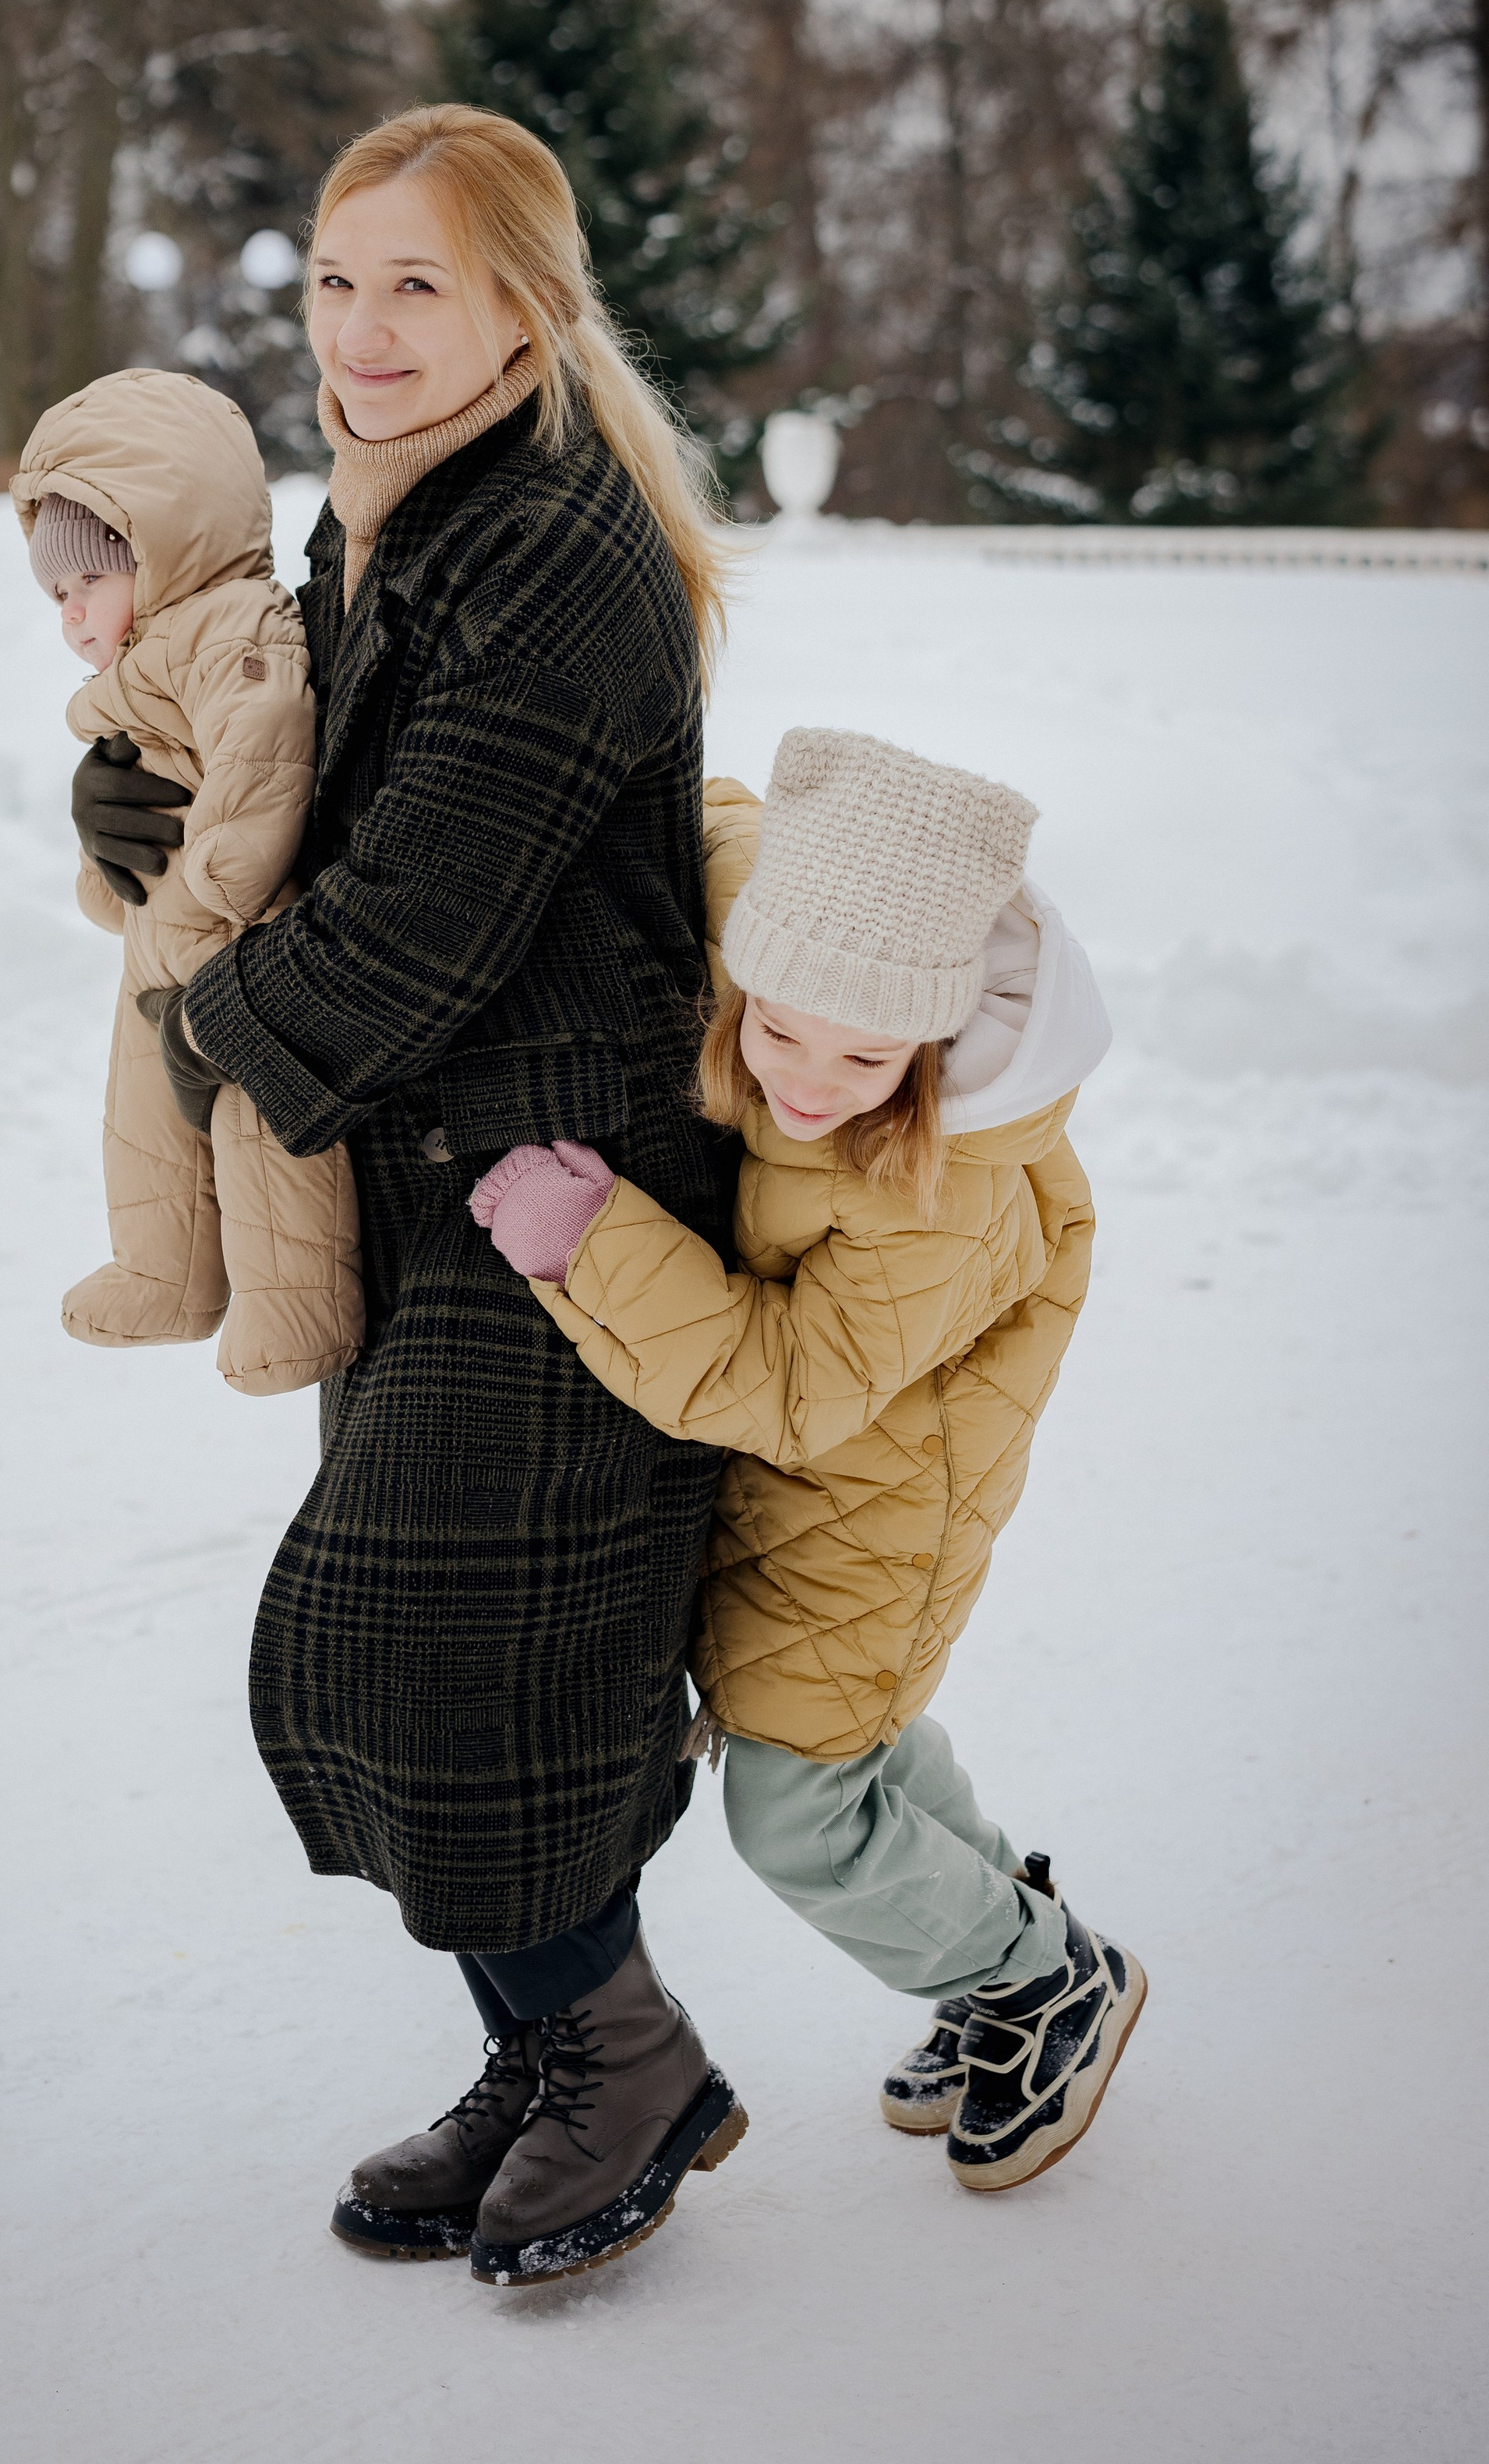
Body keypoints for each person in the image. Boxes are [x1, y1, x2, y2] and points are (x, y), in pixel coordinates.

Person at [69, 105, 746, 2289]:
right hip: (419, 1180)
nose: (359, 332)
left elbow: (412, 934)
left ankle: (615, 2051)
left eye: (416, 287)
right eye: (336, 284)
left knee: (443, 1656)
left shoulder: (552, 552)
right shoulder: (389, 528)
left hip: (562, 1196)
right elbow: (298, 828)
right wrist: (142, 813)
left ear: (525, 307)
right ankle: (549, 2046)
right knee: (469, 1666)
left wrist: (194, 1028)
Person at [472, 726, 1145, 2195]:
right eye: (776, 1031)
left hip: (871, 1513)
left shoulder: (939, 1191)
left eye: (866, 1055)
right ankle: (1011, 1962)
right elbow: (717, 827)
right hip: (824, 1494)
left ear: (934, 1034)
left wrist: (590, 1248)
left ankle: (1040, 1986)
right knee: (874, 1746)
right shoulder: (786, 910)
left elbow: (785, 1389)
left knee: (797, 1811)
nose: (813, 1081)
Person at [14, 366, 362, 1393]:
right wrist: (105, 871)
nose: (74, 617)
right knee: (145, 1123)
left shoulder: (235, 628)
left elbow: (264, 749)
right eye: (59, 596)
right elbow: (142, 787)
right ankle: (163, 1273)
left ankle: (294, 1312)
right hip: (163, 940)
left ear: (166, 543)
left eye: (90, 582)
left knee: (263, 1133)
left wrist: (218, 880)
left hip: (241, 937)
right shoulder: (136, 669)